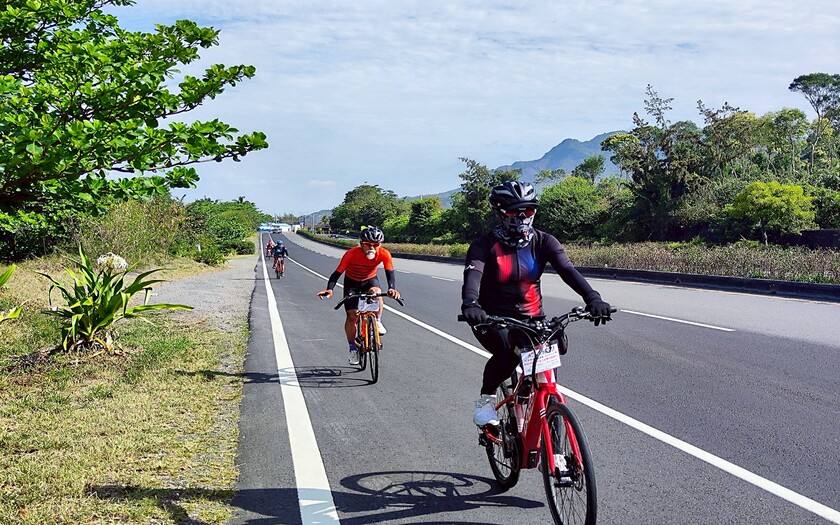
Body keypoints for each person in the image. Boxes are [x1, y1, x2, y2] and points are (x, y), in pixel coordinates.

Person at [460, 181, 612, 426]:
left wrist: (593, 298)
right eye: (514, 212)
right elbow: (473, 277)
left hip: (533, 317)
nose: (522, 217)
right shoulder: (484, 245)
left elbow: (568, 271)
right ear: (500, 212)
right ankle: (485, 400)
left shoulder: (544, 241)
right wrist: (470, 304)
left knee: (549, 354)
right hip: (492, 318)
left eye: (528, 210)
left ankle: (544, 413)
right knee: (509, 353)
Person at [317, 226, 401, 365]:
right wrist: (329, 289)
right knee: (352, 316)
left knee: (377, 292)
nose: (372, 248)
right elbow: (337, 273)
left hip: (370, 280)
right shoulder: (351, 254)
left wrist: (392, 288)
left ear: (380, 244)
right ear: (361, 243)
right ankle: (352, 348)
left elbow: (389, 272)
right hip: (352, 282)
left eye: (376, 245)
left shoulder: (384, 254)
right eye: (368, 244)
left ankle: (377, 321)